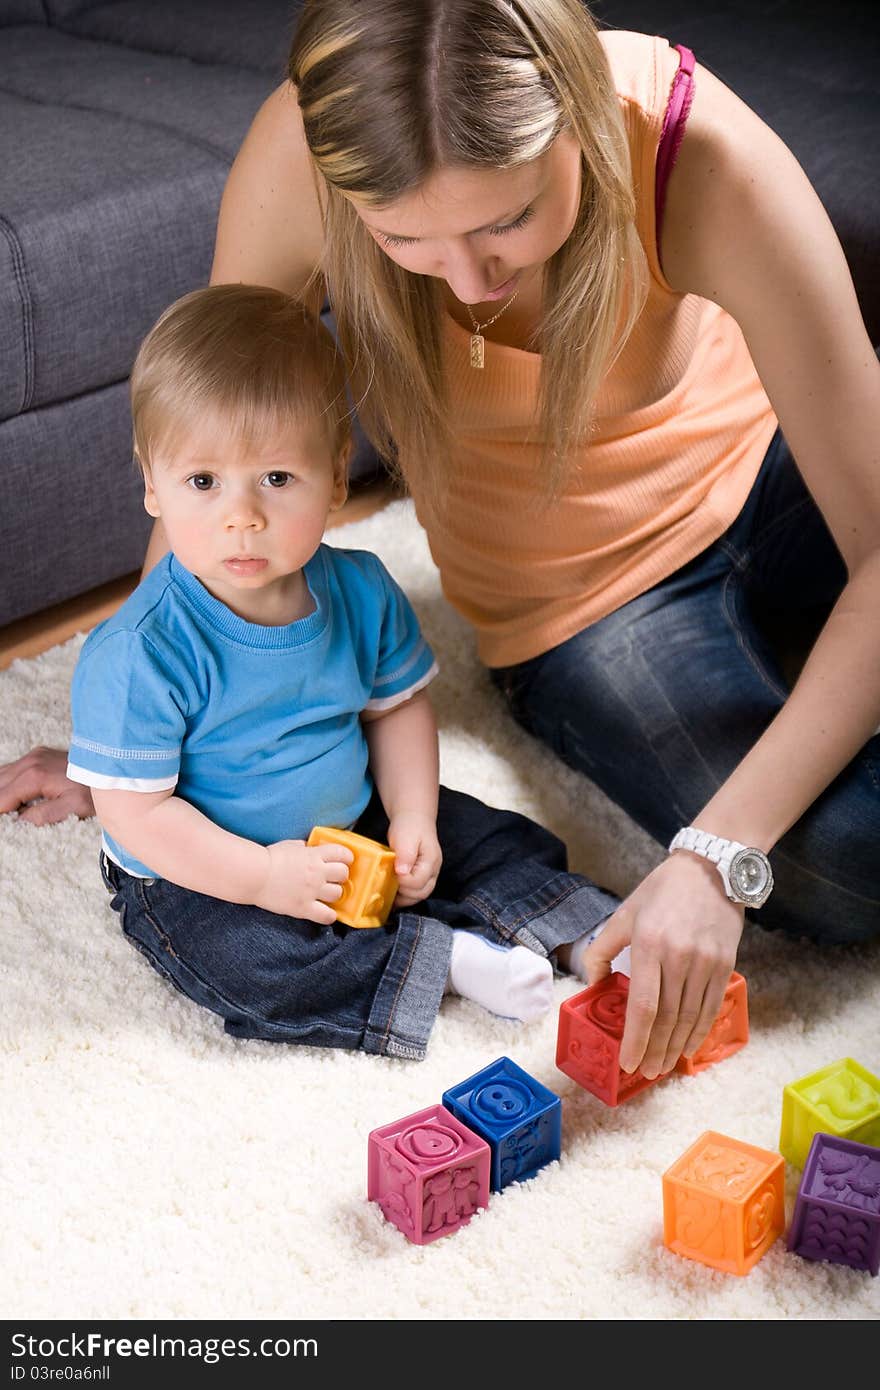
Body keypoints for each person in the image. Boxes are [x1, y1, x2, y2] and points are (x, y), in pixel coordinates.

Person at [3, 2, 878, 1078]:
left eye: (505, 219)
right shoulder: (303, 158)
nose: (465, 281)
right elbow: (211, 451)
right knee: (849, 861)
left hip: (771, 471)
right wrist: (134, 746)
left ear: (576, 127)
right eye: (404, 238)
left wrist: (710, 856)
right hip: (592, 604)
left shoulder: (696, 153)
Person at [63, 282, 622, 1057]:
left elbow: (394, 712)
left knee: (489, 836)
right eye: (203, 482)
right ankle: (445, 963)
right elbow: (139, 817)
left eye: (277, 479)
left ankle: (585, 935)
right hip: (199, 868)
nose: (242, 514)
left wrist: (413, 817)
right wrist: (262, 879)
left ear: (334, 474)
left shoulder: (359, 590)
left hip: (353, 817)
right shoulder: (140, 653)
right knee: (250, 965)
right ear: (151, 482)